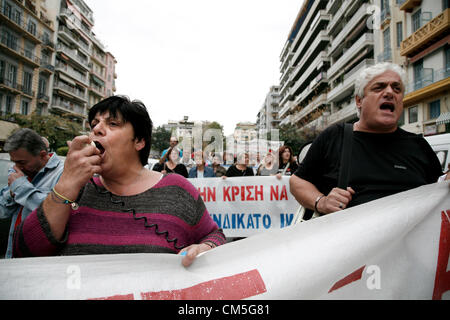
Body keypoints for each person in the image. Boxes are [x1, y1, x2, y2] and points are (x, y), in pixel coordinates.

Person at [12, 96, 226, 267]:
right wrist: (66, 185)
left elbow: (214, 237)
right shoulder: (75, 191)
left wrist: (205, 248)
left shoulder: (178, 190)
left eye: (112, 124)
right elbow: (24, 252)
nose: (96, 129)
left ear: (139, 141)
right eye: (94, 124)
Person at [290, 62, 448, 216]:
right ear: (359, 101)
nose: (389, 92)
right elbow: (297, 182)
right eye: (379, 87)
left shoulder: (418, 145)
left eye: (397, 88)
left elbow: (438, 190)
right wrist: (322, 202)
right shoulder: (335, 137)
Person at [0, 128, 63, 258]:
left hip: (39, 261)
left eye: (22, 162)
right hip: (13, 254)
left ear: (42, 155)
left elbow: (55, 211)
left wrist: (21, 188)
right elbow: (3, 211)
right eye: (14, 162)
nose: (16, 167)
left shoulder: (63, 173)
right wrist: (12, 193)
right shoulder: (22, 173)